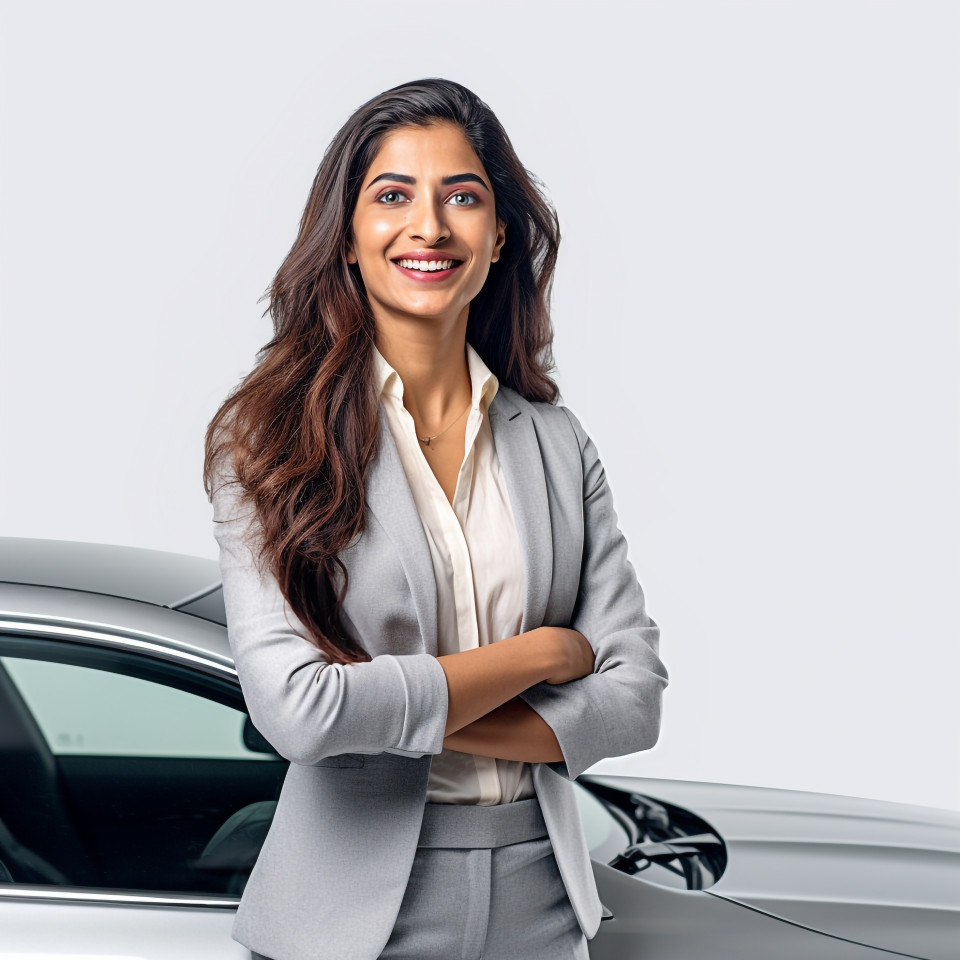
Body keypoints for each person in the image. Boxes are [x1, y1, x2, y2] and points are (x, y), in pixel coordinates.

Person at [203, 77, 668, 960]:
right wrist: (541, 657)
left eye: (462, 195)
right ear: (346, 235)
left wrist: (376, 707)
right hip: (350, 919)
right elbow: (299, 713)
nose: (430, 226)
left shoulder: (558, 445)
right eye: (393, 195)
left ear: (498, 236)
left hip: (546, 900)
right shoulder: (265, 441)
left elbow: (634, 698)